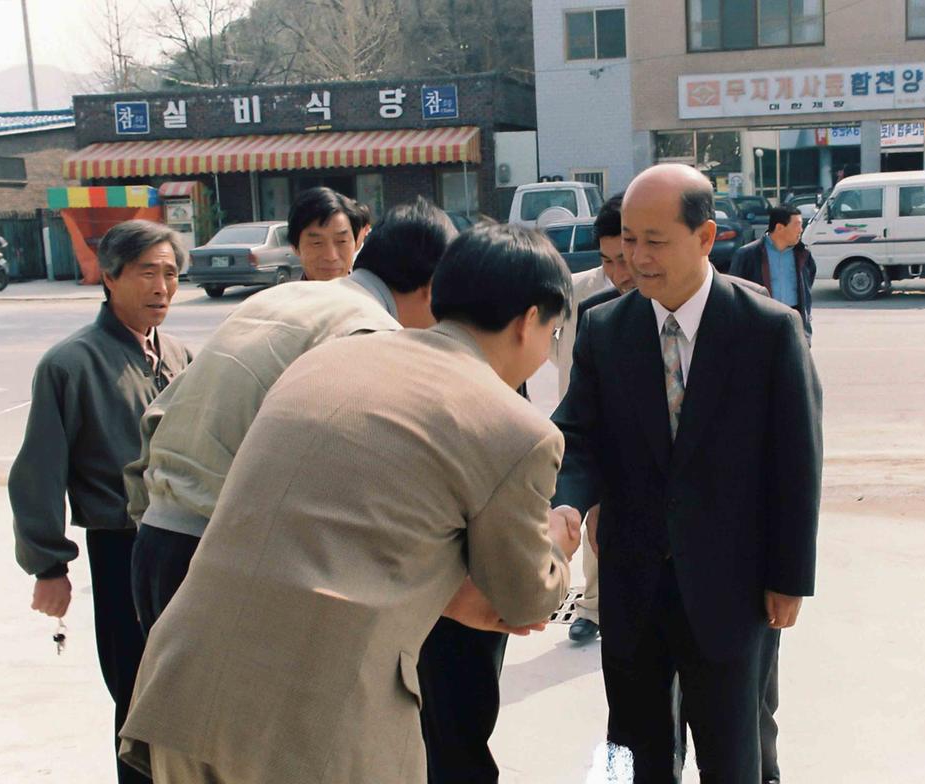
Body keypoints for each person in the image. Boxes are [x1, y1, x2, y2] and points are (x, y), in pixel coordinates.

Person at [119, 223, 582, 783]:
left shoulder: (325, 361)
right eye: (553, 333)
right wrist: (555, 543)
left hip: (185, 693)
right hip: (312, 730)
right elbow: (524, 596)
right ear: (530, 320)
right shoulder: (516, 429)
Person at [552, 163, 822, 782]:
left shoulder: (768, 330)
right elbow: (578, 436)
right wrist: (566, 504)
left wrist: (790, 576)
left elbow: (797, 462)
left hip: (734, 585)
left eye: (654, 240)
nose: (635, 256)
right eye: (628, 239)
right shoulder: (604, 328)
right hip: (633, 580)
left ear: (704, 238)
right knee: (635, 748)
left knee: (734, 750)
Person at [125, 195, 453, 634]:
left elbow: (162, 412)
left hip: (157, 539)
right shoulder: (370, 332)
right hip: (223, 560)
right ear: (432, 288)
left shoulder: (281, 298)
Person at [7, 220, 191, 784]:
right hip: (122, 547)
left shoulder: (182, 356)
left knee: (189, 692)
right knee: (136, 696)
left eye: (170, 274)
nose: (161, 287)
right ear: (108, 277)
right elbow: (40, 469)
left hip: (186, 546)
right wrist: (49, 565)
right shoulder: (71, 364)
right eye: (146, 273)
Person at [551, 194, 635, 645]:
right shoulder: (585, 300)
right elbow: (550, 344)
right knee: (595, 528)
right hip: (586, 426)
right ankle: (593, 607)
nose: (619, 274)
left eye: (625, 259)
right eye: (608, 262)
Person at [729, 204, 815, 343]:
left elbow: (808, 283)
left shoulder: (803, 254)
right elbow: (734, 293)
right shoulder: (748, 255)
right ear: (780, 227)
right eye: (797, 225)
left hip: (794, 320)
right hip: (760, 321)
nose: (801, 229)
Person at [291, 186, 370, 281]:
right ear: (295, 247)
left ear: (356, 244)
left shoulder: (371, 295)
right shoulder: (282, 296)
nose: (331, 256)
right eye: (317, 243)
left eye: (342, 241)